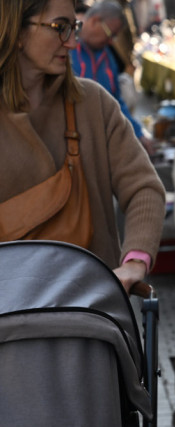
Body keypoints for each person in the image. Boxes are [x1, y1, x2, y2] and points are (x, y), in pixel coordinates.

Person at [0, 0, 165, 292]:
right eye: (60, 28)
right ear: (17, 32)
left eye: (74, 28)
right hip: (12, 321)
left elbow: (144, 187)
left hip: (94, 314)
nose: (73, 43)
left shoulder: (93, 103)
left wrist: (135, 260)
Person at [70, 1, 152, 152]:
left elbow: (116, 101)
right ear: (95, 21)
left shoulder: (107, 56)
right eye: (111, 34)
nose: (111, 41)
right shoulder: (66, 48)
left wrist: (138, 133)